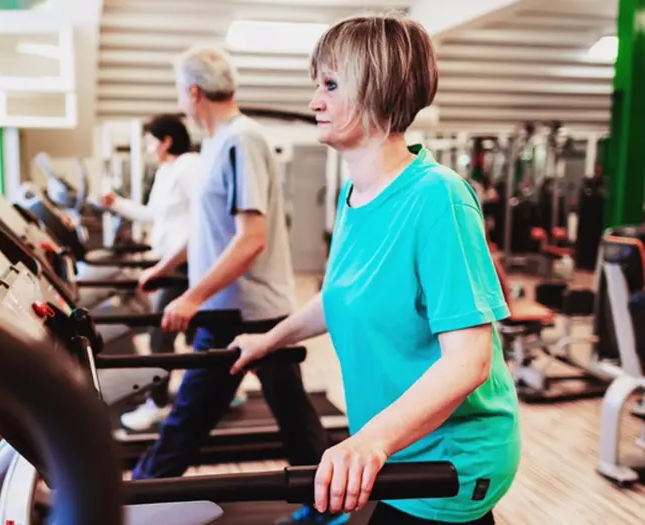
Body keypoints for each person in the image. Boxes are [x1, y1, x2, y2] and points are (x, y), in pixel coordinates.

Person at [228, 12, 521, 525]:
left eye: (332, 84)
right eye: (317, 84)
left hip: (448, 460)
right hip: (396, 446)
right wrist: (266, 341)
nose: (314, 101)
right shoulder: (352, 196)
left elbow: (468, 361)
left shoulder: (438, 197)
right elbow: (339, 295)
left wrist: (368, 442)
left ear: (378, 89)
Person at [134, 45, 341, 525]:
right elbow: (212, 230)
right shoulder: (219, 141)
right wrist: (167, 266)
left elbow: (250, 240)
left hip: (245, 310)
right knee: (286, 411)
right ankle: (324, 500)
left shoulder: (242, 140)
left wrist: (191, 296)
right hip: (233, 308)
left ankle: (137, 494)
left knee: (192, 414)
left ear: (192, 92)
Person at [100, 115, 204, 430]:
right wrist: (116, 204)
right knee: (195, 335)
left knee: (162, 334)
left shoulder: (190, 166)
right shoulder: (166, 172)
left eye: (150, 141)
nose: (147, 148)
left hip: (186, 265)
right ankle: (217, 388)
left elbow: (204, 219)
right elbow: (153, 216)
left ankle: (157, 404)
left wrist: (165, 266)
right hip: (171, 264)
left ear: (166, 140)